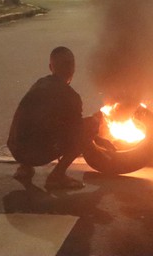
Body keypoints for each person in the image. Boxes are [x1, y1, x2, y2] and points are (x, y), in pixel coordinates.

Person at [7, 46, 98, 190]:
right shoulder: (71, 96)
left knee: (37, 124)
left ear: (51, 67)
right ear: (73, 68)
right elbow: (77, 131)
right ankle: (57, 176)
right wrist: (96, 126)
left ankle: (25, 168)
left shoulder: (40, 83)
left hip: (16, 150)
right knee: (90, 126)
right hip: (36, 154)